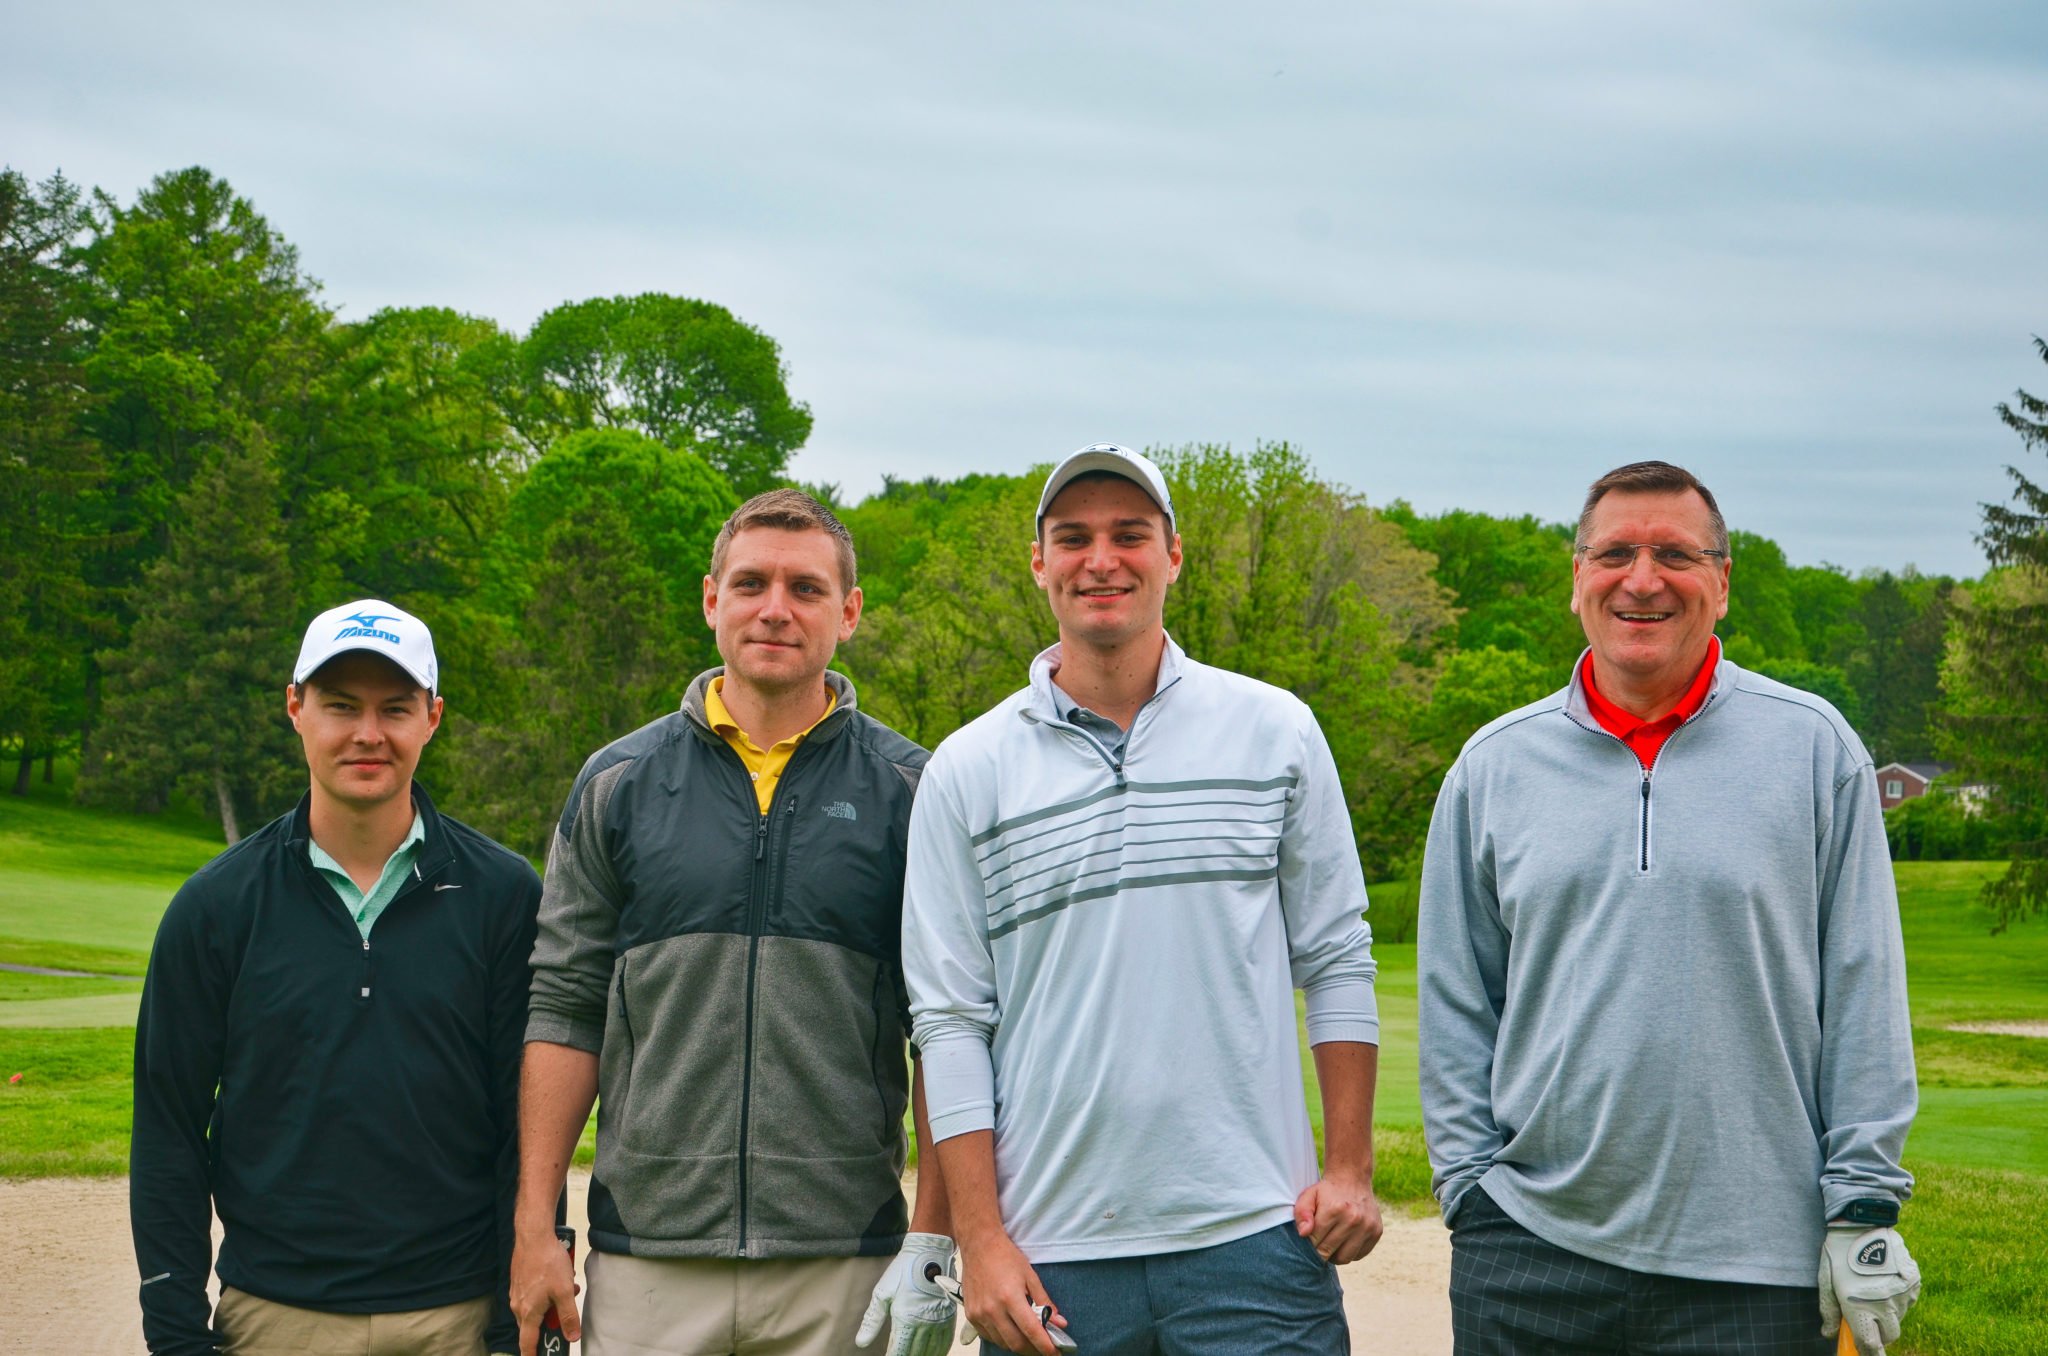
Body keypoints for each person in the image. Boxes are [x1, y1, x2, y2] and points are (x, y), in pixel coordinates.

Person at [1418, 461, 1923, 1356]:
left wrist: (1863, 1205)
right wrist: (1469, 1191)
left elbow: (1863, 989)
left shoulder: (1813, 749)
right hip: (1531, 1252)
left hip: (1757, 1264)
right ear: (1577, 579)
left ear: (1721, 583)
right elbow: (1459, 999)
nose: (1642, 578)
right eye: (1614, 553)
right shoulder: (1494, 766)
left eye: (1675, 554)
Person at [902, 444, 1383, 1356]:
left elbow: (1335, 955)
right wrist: (982, 1239)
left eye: (1131, 535)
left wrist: (1351, 1169)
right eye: (1072, 537)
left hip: (1257, 1241)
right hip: (1052, 1260)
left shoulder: (1274, 728)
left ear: (1174, 555)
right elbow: (952, 1021)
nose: (1102, 559)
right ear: (1039, 563)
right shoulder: (967, 768)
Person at [509, 489, 957, 1356]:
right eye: (751, 584)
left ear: (849, 612)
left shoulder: (915, 793)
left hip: (845, 1266)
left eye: (806, 588)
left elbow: (946, 1032)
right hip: (650, 1263)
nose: (775, 609)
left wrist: (930, 1242)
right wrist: (539, 1226)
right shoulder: (618, 785)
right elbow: (565, 1007)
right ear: (712, 599)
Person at [131, 600, 542, 1356]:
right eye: (340, 705)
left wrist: (513, 1313)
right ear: (295, 708)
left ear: (433, 717)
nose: (367, 733)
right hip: (275, 1318)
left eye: (395, 708)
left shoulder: (507, 897)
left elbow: (527, 1128)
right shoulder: (216, 906)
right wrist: (174, 1329)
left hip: (454, 1317)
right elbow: (169, 1134)